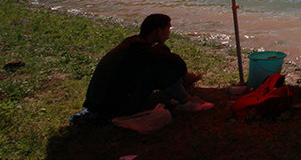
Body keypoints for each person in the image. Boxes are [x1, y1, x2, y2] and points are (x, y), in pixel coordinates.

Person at [80, 13, 211, 120]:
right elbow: (176, 61)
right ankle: (186, 101)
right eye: (168, 28)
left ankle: (183, 85)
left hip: (101, 101)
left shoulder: (134, 43)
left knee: (162, 51)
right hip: (112, 107)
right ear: (158, 31)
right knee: (161, 71)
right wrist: (183, 73)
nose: (169, 32)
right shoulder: (139, 50)